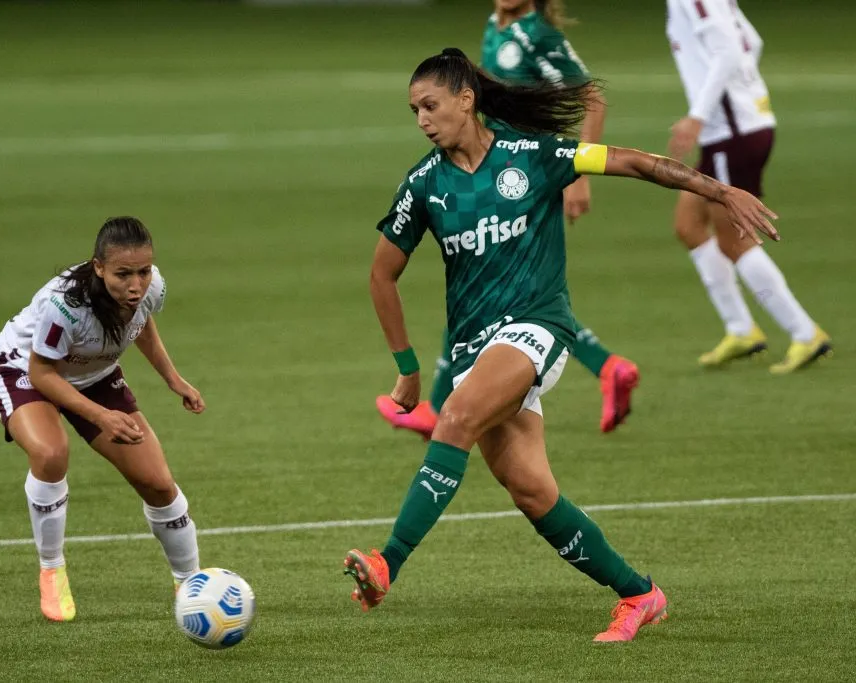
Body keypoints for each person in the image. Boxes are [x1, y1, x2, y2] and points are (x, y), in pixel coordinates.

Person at [345, 49, 778, 642]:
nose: (421, 119)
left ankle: (386, 563)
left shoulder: (535, 155)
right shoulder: (424, 184)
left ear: (465, 100)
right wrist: (407, 367)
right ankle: (640, 594)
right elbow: (380, 275)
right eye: (414, 109)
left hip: (537, 327)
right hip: (477, 346)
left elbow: (635, 162)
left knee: (457, 416)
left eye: (430, 105)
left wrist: (719, 192)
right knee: (531, 491)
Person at [377, 0, 639, 438]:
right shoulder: (495, 27)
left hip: (524, 176)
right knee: (494, 291)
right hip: (484, 175)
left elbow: (591, 97)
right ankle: (608, 367)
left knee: (504, 292)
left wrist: (579, 178)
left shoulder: (538, 34)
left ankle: (441, 407)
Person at [0, 216, 206, 622]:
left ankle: (191, 585)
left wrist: (174, 379)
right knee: (51, 454)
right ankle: (52, 570)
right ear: (99, 267)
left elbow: (140, 324)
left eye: (143, 271)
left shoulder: (149, 286)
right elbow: (42, 373)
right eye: (123, 274)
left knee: (158, 484)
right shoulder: (64, 306)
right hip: (23, 371)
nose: (136, 284)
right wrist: (100, 415)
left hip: (93, 374)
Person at [666, 0, 830, 370]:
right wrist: (744, 94)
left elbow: (727, 51)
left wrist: (699, 117)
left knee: (733, 238)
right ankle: (741, 329)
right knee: (688, 225)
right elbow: (751, 42)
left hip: (730, 134)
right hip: (734, 129)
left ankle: (805, 333)